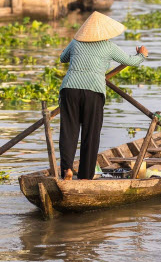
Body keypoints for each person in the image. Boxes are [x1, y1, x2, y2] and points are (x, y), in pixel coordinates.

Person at [58, 11, 149, 180]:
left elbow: (63, 58)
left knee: (68, 132)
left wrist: (73, 49)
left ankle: (67, 169)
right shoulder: (108, 47)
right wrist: (141, 54)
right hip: (93, 90)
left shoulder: (76, 42)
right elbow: (132, 61)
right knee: (90, 134)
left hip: (69, 88)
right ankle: (85, 176)